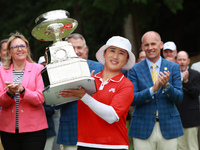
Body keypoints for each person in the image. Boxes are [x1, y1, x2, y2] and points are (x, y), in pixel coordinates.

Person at [60, 36, 135, 150]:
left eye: (121, 53)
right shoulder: (88, 80)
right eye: (112, 50)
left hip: (115, 146)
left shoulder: (126, 85)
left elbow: (111, 116)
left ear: (126, 60)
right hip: (84, 144)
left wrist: (84, 96)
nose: (115, 56)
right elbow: (57, 99)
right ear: (104, 54)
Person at [128, 31, 183, 150]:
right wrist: (153, 89)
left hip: (169, 126)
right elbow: (132, 99)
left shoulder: (174, 67)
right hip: (142, 127)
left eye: (153, 44)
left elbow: (179, 97)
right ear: (142, 47)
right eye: (146, 45)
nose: (150, 48)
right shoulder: (134, 69)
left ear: (161, 45)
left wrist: (167, 86)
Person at [0, 32, 48, 150]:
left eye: (23, 46)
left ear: (27, 49)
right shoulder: (1, 71)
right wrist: (10, 93)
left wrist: (22, 91)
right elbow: (1, 102)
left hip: (34, 130)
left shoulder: (38, 69)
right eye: (15, 47)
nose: (19, 49)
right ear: (9, 52)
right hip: (8, 130)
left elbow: (40, 98)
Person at [56, 33, 104, 150]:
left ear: (85, 49)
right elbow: (53, 105)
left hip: (97, 129)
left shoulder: (99, 68)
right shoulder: (58, 70)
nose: (76, 51)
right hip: (71, 129)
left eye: (79, 48)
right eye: (72, 48)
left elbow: (105, 96)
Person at [176, 51, 200, 150]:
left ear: (188, 61)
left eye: (184, 60)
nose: (182, 62)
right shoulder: (172, 74)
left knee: (192, 146)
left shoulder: (195, 74)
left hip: (191, 118)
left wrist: (186, 82)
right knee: (181, 147)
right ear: (176, 61)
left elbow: (196, 93)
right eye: (179, 59)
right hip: (177, 117)